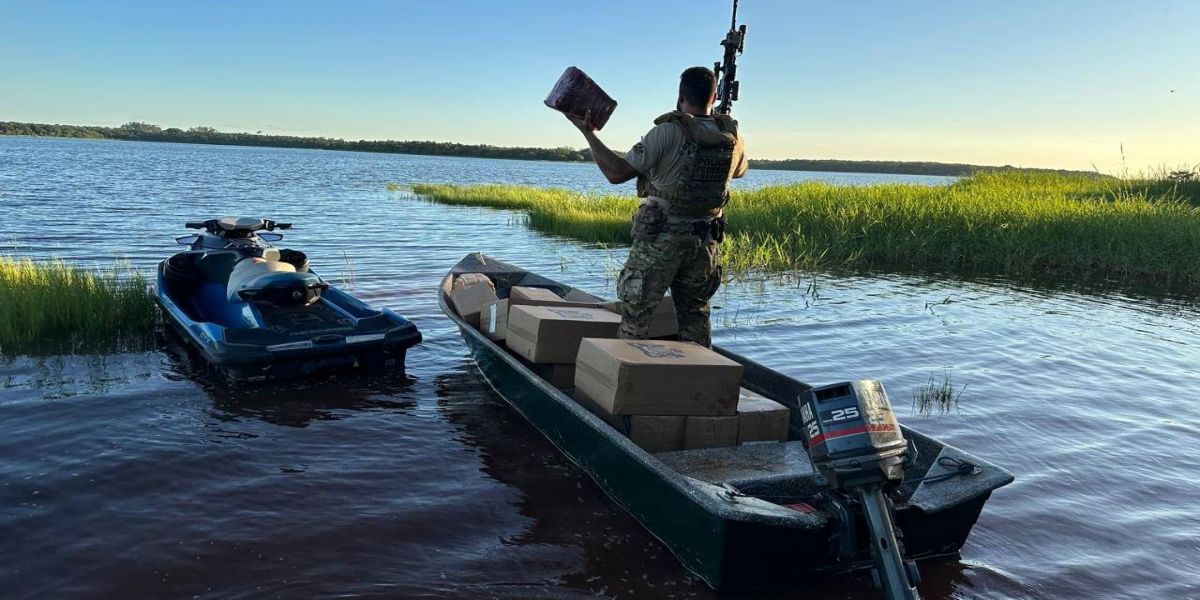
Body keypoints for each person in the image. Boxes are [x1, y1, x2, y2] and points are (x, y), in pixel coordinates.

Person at [565, 66, 748, 347]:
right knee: (695, 315)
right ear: (714, 97)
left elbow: (616, 173)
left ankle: (628, 380)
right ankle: (699, 382)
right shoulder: (732, 136)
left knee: (636, 316)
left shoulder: (667, 132)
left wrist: (587, 133)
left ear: (680, 96)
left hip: (661, 238)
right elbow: (738, 171)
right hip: (706, 242)